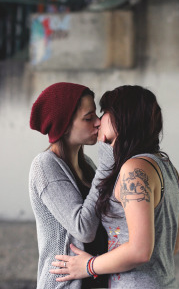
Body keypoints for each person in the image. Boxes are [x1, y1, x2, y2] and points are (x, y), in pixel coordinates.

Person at [50, 85, 179, 288]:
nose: (98, 121)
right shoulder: (169, 169)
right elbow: (173, 245)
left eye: (104, 113)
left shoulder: (133, 171)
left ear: (120, 118)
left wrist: (88, 265)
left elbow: (140, 250)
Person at [29, 82, 114, 289]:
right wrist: (106, 167)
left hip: (96, 277)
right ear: (64, 125)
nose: (98, 123)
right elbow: (84, 229)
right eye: (88, 118)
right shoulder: (45, 165)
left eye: (97, 115)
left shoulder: (89, 167)